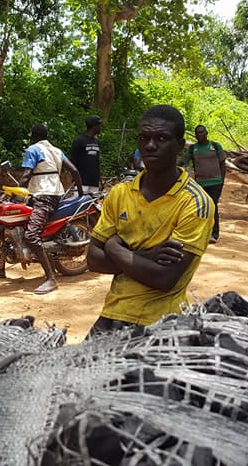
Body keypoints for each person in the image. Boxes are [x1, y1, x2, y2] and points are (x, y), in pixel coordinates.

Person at [87, 105, 214, 335]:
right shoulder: (120, 193)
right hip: (111, 316)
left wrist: (113, 247)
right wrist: (146, 256)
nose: (150, 146)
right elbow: (93, 260)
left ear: (180, 146)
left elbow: (165, 278)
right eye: (144, 138)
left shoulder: (195, 202)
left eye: (161, 138)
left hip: (161, 324)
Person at [0, 123, 84, 294]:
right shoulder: (56, 151)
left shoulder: (33, 149)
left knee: (31, 235)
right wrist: (80, 193)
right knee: (6, 224)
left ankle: (51, 279)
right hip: (49, 195)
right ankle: (0, 267)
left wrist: (17, 194)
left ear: (33, 136)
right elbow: (75, 170)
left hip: (44, 197)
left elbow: (26, 175)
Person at [182, 124, 227, 243]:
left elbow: (223, 164)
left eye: (201, 132)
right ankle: (201, 233)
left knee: (213, 206)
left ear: (206, 133)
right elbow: (183, 161)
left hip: (216, 182)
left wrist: (222, 180)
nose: (199, 135)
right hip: (201, 184)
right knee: (201, 208)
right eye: (197, 133)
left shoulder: (215, 146)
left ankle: (214, 234)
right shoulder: (193, 149)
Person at [70, 115, 103, 196]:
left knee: (92, 203)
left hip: (94, 183)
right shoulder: (79, 141)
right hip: (81, 182)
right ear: (94, 126)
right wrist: (75, 179)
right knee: (80, 203)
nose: (100, 127)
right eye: (99, 125)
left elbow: (96, 162)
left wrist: (99, 179)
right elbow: (73, 161)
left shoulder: (96, 141)